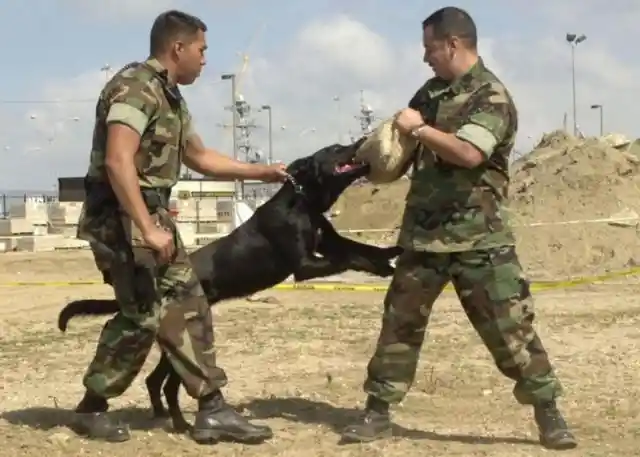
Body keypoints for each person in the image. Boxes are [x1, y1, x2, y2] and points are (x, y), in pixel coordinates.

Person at [340, 7, 577, 451]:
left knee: (511, 331)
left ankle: (549, 413)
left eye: (430, 48)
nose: (425, 58)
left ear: (452, 44)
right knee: (399, 327)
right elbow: (404, 144)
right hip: (424, 237)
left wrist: (422, 129)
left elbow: (469, 153)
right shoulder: (429, 93)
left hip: (480, 238)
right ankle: (377, 411)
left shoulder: (491, 97)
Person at [72, 10, 288, 445]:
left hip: (149, 219)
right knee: (143, 317)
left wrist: (260, 171)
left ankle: (212, 408)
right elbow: (118, 160)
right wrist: (146, 228)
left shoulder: (171, 98)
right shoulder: (136, 87)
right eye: (202, 50)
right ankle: (92, 406)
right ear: (178, 48)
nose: (205, 59)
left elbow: (201, 158)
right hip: (123, 220)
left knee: (189, 304)